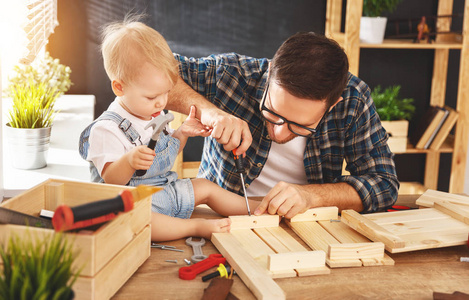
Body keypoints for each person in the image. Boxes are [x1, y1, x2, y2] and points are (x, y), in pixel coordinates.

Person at [166, 32, 399, 219]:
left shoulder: (353, 100)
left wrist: (312, 196)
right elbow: (144, 66)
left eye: (299, 126)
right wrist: (210, 112)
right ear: (269, 77)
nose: (278, 132)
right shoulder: (232, 75)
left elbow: (383, 184)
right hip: (216, 220)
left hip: (303, 222)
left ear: (332, 105)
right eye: (272, 112)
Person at [79, 19, 259, 241]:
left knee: (205, 187)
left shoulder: (153, 113)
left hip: (165, 189)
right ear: (119, 87)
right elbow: (112, 180)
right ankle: (196, 227)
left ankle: (260, 209)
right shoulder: (107, 129)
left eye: (166, 93)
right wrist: (128, 161)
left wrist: (181, 134)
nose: (161, 102)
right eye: (152, 97)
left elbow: (167, 155)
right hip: (132, 202)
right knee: (136, 217)